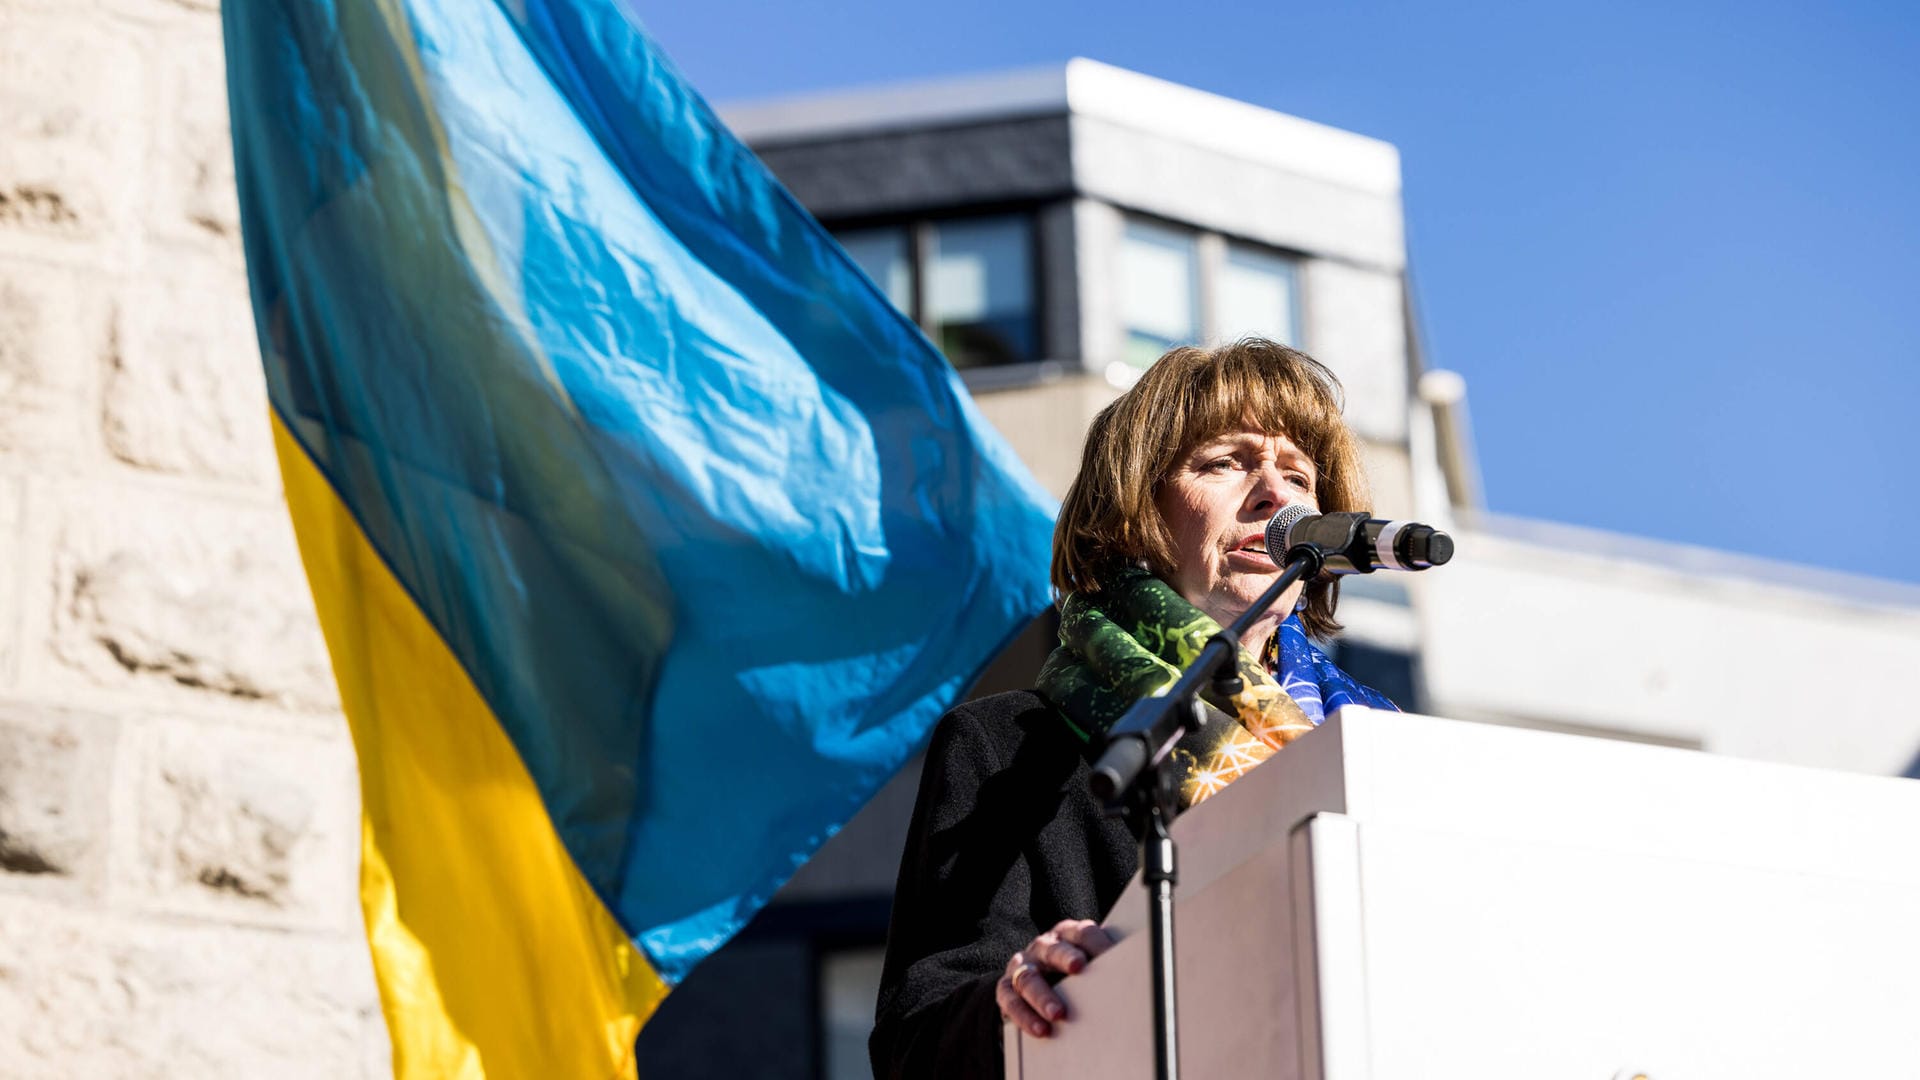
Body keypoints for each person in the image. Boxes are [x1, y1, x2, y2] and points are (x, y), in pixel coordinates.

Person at [868, 339, 1400, 1078]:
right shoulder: (1008, 748)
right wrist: (1013, 999)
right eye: (1226, 461)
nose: (1275, 494)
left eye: (1299, 474)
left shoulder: (1383, 750)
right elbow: (913, 1042)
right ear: (1131, 514)